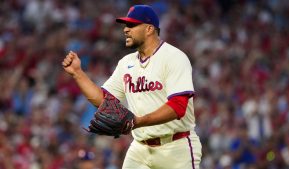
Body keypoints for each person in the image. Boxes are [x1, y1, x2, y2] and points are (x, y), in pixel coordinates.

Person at [62, 4, 202, 169]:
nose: (126, 30)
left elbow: (178, 107)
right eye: (126, 25)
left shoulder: (174, 57)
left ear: (149, 29)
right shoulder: (126, 63)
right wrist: (78, 74)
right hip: (140, 148)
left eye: (132, 25)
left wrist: (137, 121)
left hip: (176, 147)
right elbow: (105, 101)